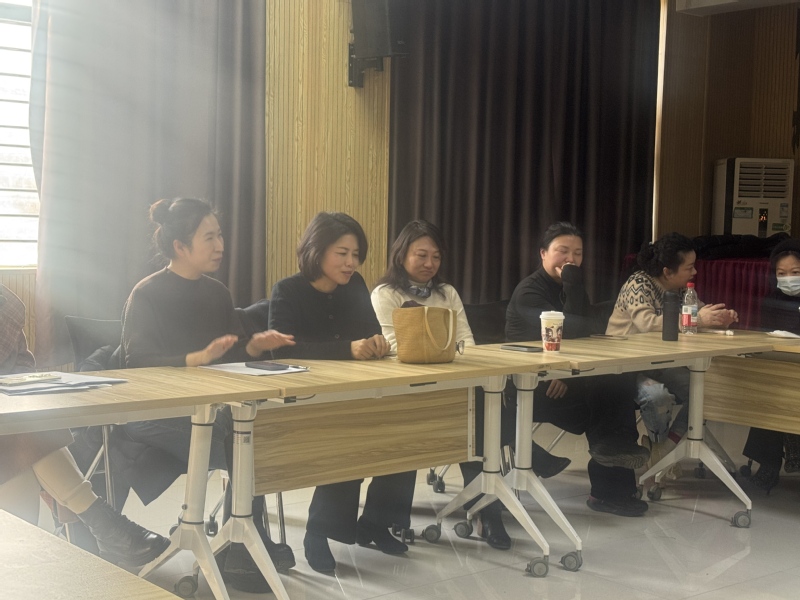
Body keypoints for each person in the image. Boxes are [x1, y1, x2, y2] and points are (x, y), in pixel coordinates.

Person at [91, 198, 294, 591]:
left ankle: (240, 541)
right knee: (244, 446)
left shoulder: (217, 292)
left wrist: (253, 347)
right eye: (210, 237)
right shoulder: (146, 294)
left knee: (257, 435)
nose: (220, 245)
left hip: (207, 407)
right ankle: (239, 547)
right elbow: (137, 365)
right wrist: (194, 359)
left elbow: (229, 356)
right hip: (153, 414)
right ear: (180, 246)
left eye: (220, 236)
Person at [370, 219, 569, 550]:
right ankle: (512, 469)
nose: (430, 263)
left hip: (455, 385)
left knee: (480, 411)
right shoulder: (385, 294)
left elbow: (467, 341)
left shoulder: (446, 292)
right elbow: (395, 346)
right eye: (421, 255)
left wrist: (450, 356)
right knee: (479, 418)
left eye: (436, 257)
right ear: (401, 255)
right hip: (409, 389)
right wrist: (446, 353)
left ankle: (488, 511)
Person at [268, 211, 414, 573]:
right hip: (303, 399)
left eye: (356, 255)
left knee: (405, 432)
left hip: (354, 391)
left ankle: (376, 523)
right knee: (349, 435)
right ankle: (318, 533)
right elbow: (281, 352)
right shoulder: (288, 290)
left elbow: (370, 331)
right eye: (342, 254)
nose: (351, 263)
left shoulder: (355, 285)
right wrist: (347, 349)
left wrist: (377, 342)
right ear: (316, 251)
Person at [0, 283, 169, 568]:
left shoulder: (6, 303)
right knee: (20, 439)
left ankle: (25, 565)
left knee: (21, 438)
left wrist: (17, 387)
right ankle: (102, 523)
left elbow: (23, 364)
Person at [506, 222, 651, 517]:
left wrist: (569, 376)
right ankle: (611, 487)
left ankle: (614, 471)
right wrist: (573, 284)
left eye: (578, 253)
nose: (571, 259)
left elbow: (584, 333)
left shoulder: (571, 287)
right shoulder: (529, 292)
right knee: (607, 399)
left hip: (568, 377)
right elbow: (569, 330)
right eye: (563, 251)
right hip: (531, 385)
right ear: (543, 253)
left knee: (615, 385)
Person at [606, 232, 738, 469]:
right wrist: (699, 319)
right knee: (657, 397)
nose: (694, 272)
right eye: (689, 267)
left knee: (707, 392)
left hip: (661, 363)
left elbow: (698, 316)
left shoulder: (683, 290)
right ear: (667, 271)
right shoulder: (639, 283)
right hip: (627, 368)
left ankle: (664, 449)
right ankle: (660, 453)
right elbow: (647, 324)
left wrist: (719, 319)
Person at [741, 238, 800, 491]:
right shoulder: (771, 300)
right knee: (767, 392)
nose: (788, 279)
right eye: (781, 273)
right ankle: (768, 464)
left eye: (795, 272)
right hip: (782, 367)